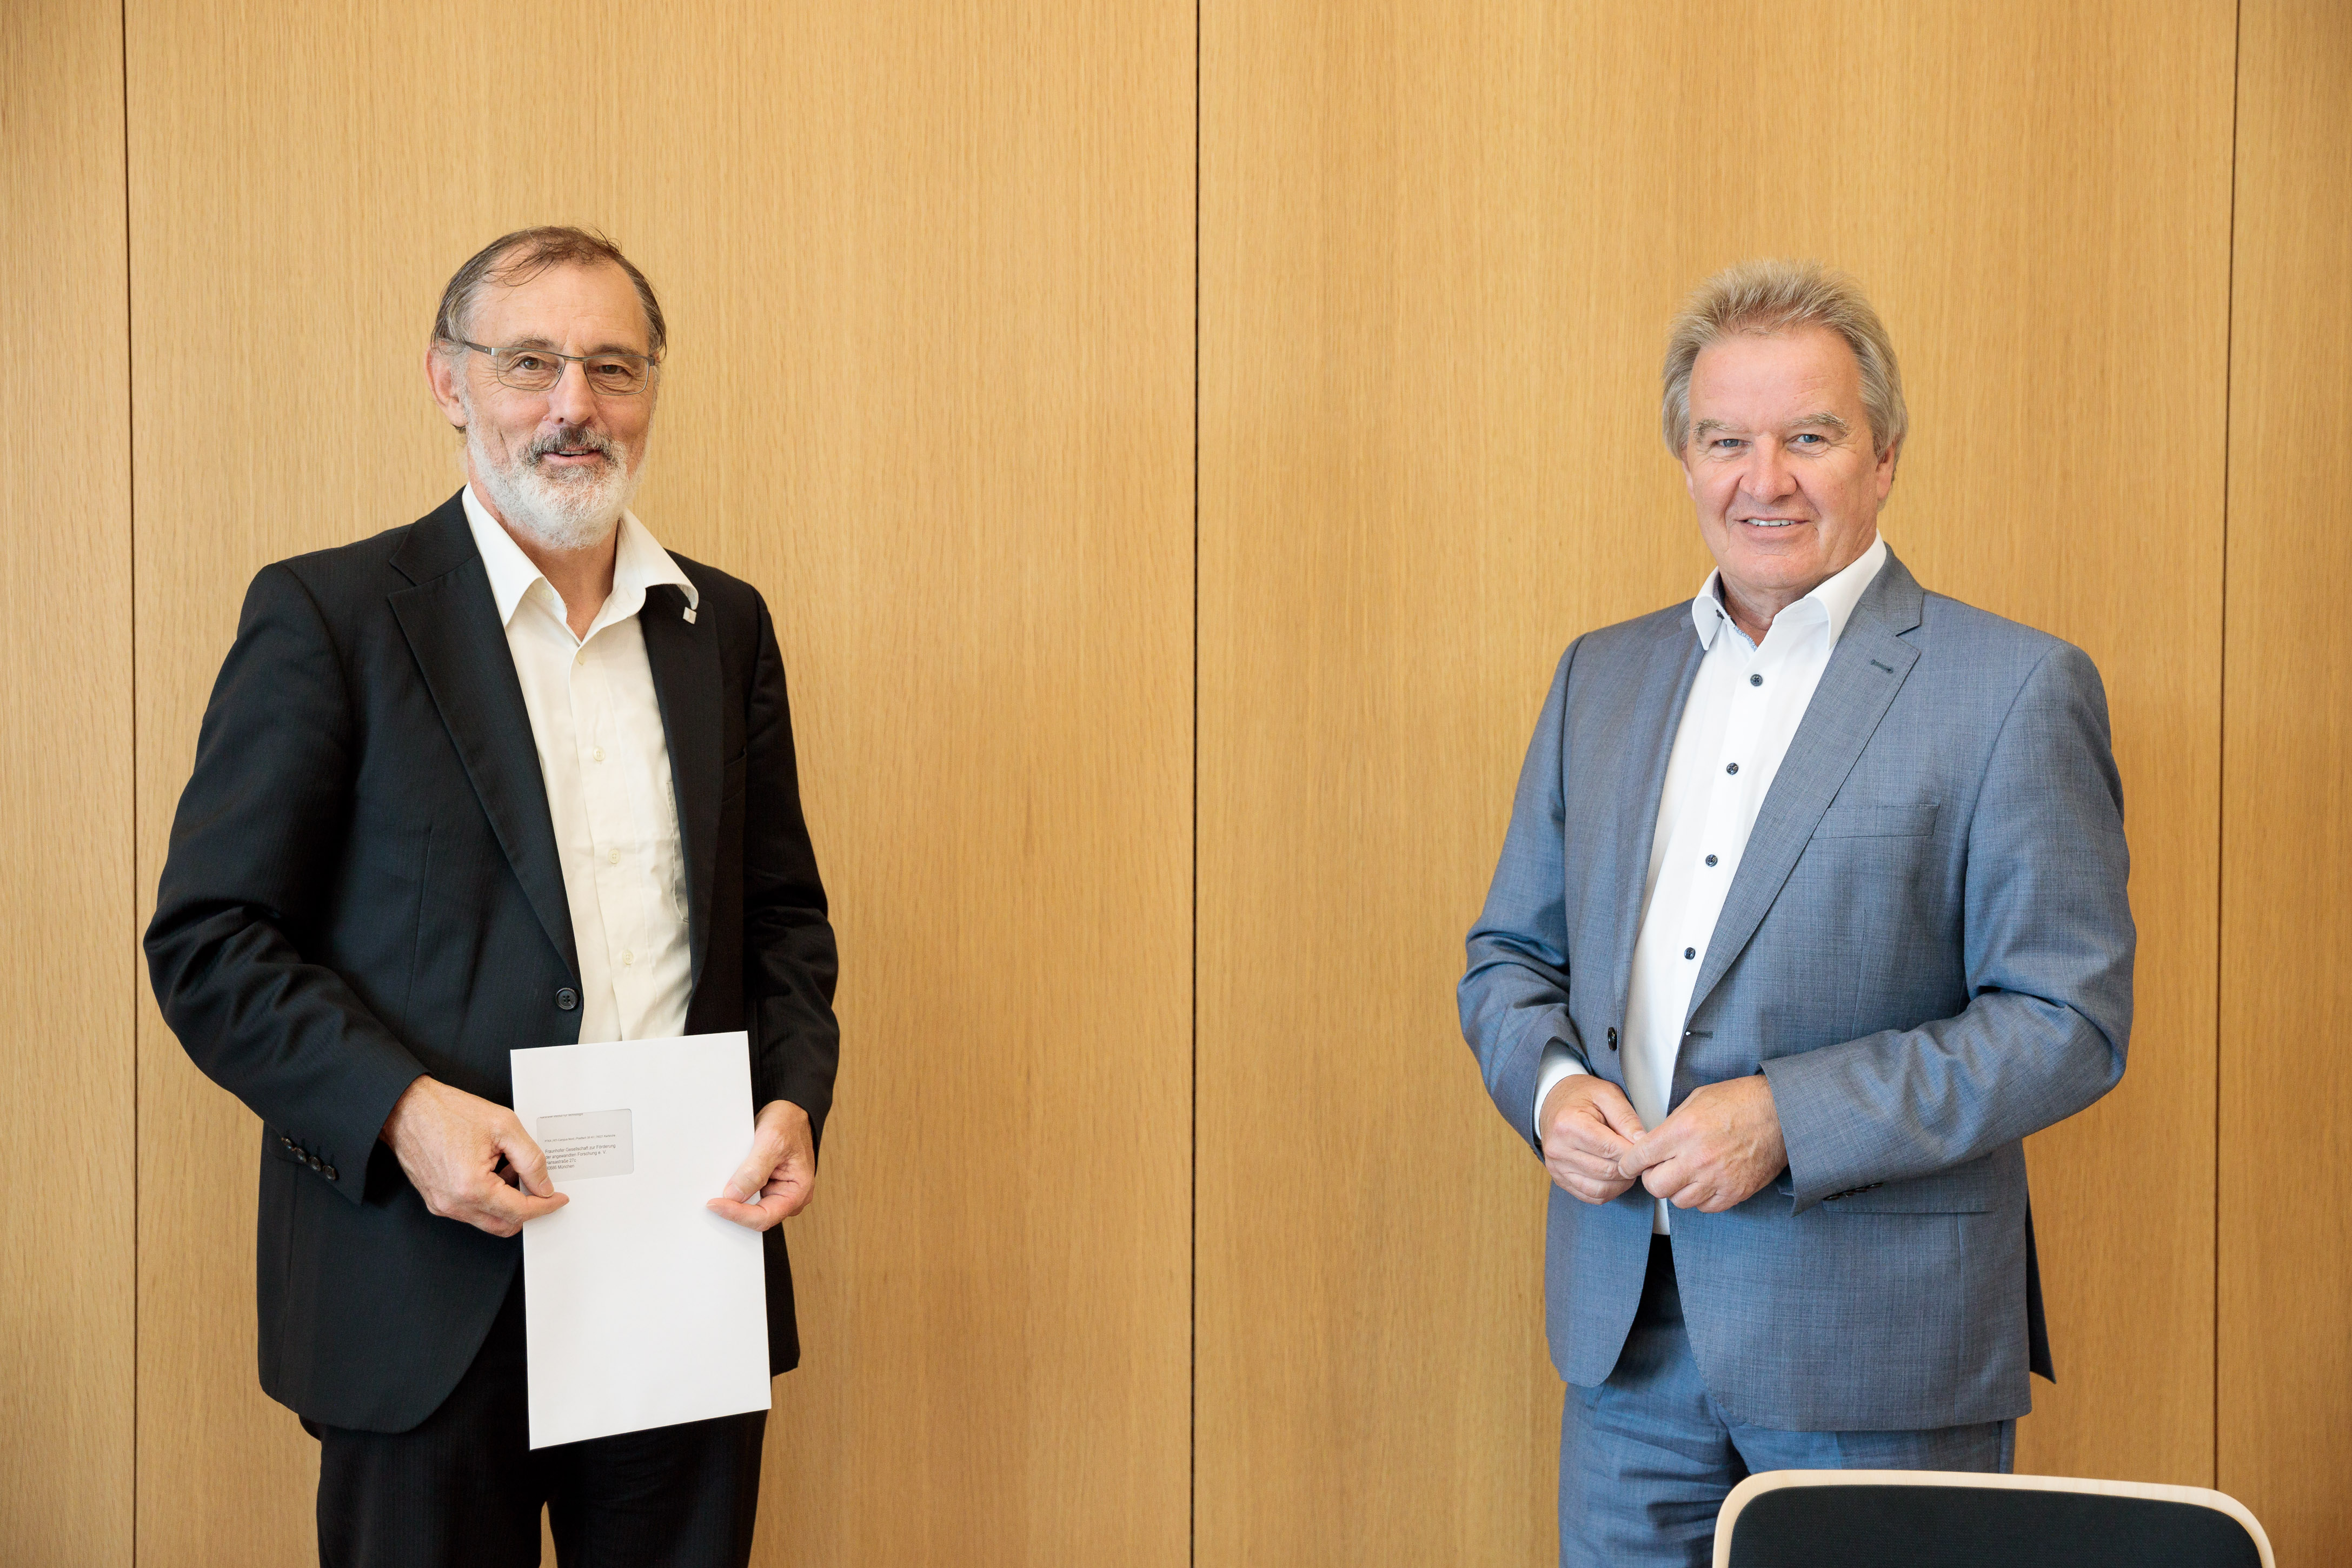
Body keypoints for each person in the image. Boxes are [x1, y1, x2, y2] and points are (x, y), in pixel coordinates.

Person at [145, 226, 840, 1568]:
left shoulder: (725, 627)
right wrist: (402, 1114)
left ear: (651, 390)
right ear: (448, 382)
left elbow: (782, 919)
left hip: (680, 1272)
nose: (575, 403)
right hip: (421, 1285)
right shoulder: (331, 615)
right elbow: (212, 942)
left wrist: (795, 1097)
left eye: (613, 367)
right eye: (529, 362)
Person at [1457, 260, 2133, 1567]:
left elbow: (2069, 1021)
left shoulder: (2013, 688)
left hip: (1877, 1354)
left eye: (1809, 437)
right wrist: (1549, 1089)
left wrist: (1788, 1117)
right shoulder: (1602, 677)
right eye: (1726, 440)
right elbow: (1509, 958)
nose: (1763, 479)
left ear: (1885, 456)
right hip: (1625, 1342)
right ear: (1686, 460)